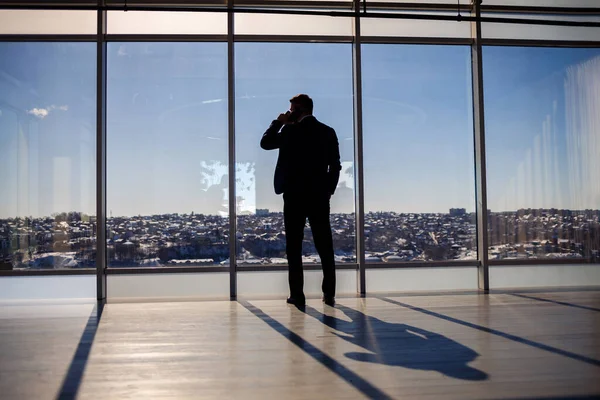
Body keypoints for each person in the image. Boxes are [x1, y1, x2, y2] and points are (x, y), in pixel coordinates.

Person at [260, 94, 341, 307]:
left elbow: (265, 143)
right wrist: (328, 190)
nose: (289, 112)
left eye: (292, 109)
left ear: (300, 110)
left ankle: (297, 294)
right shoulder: (327, 131)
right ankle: (329, 293)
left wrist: (278, 121)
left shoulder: (289, 131)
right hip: (319, 196)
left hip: (294, 195)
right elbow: (335, 166)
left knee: (294, 246)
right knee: (324, 245)